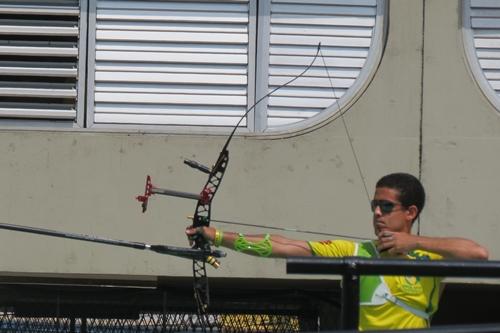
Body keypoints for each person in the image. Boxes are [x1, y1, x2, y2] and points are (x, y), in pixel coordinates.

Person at [186, 172, 489, 331]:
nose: (378, 214)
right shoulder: (356, 250)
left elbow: (478, 254)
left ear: (410, 212)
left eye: (386, 206)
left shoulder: (431, 257)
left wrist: (414, 244)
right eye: (375, 206)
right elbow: (283, 246)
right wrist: (217, 235)